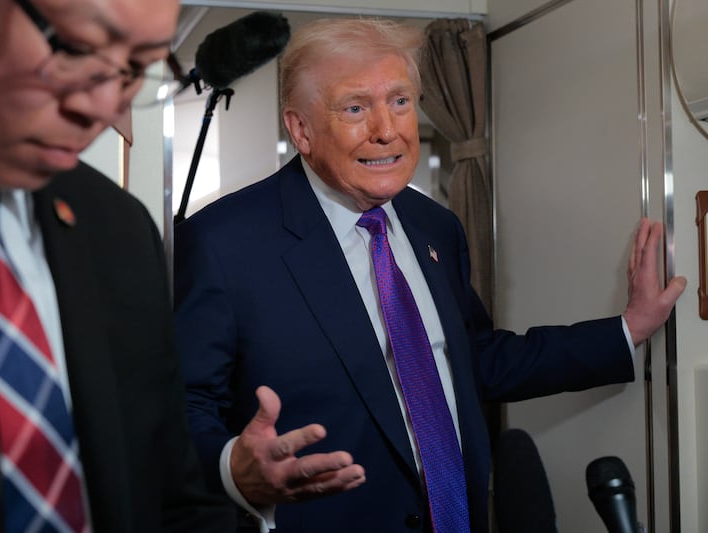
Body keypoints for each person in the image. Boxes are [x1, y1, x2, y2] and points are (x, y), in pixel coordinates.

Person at [172, 17, 686, 533]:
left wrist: (627, 329)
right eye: (355, 108)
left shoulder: (435, 225)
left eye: (399, 101)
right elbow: (183, 406)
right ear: (301, 129)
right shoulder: (222, 241)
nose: (387, 130)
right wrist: (234, 470)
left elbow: (474, 358)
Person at [0, 0, 235, 531]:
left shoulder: (119, 228)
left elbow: (172, 499)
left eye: (137, 66)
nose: (103, 107)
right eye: (75, 47)